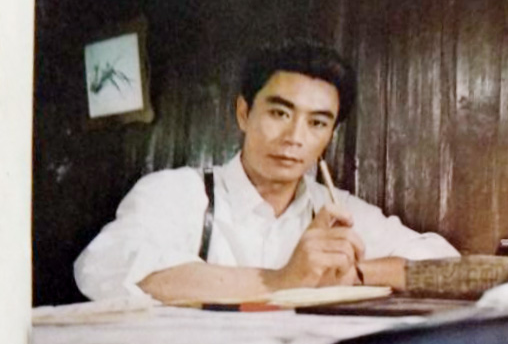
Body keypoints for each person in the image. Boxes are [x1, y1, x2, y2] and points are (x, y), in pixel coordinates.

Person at [74, 38, 459, 303]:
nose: (295, 137)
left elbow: (446, 265)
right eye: (279, 113)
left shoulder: (336, 210)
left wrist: (357, 273)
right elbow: (104, 267)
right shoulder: (178, 193)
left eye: (317, 123)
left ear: (330, 135)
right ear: (244, 113)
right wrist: (283, 280)